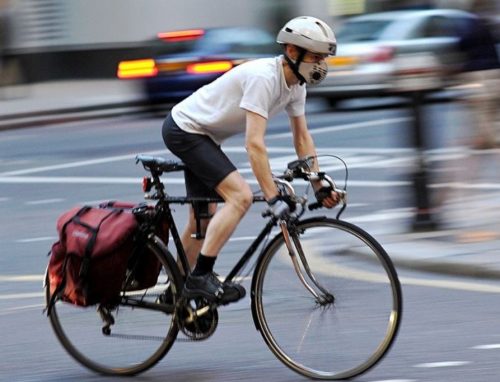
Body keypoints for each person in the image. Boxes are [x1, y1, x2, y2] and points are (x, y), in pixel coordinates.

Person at [162, 16, 341, 305]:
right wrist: (272, 196)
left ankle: (174, 292)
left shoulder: (297, 85)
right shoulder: (264, 78)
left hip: (206, 137)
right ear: (292, 51)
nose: (321, 64)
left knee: (201, 220)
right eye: (316, 56)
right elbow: (254, 144)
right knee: (240, 197)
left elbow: (302, 138)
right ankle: (200, 277)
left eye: (325, 58)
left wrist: (318, 182)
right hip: (185, 130)